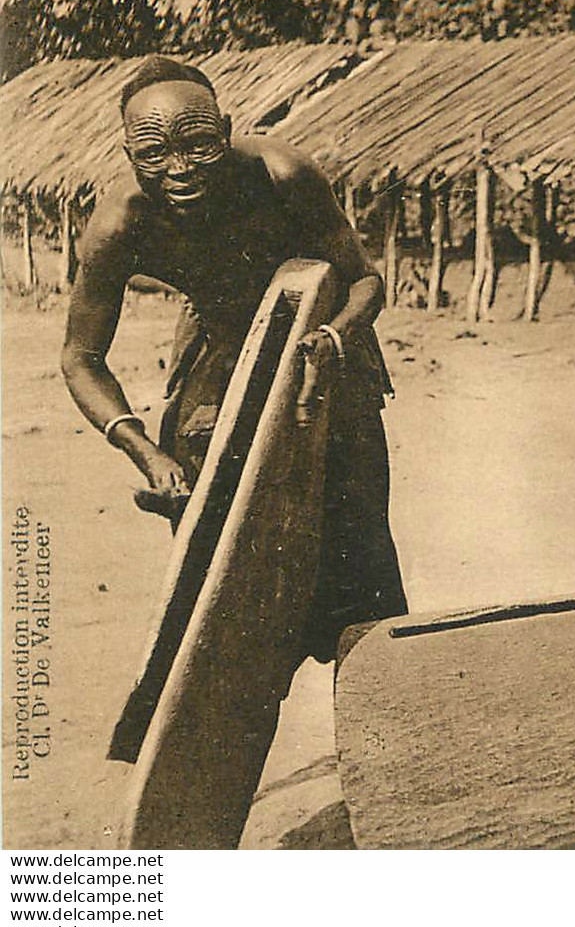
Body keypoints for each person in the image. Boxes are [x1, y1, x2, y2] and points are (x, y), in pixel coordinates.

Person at [61, 56, 406, 665]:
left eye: (198, 145)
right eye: (154, 155)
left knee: (358, 562)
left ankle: (374, 720)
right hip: (220, 362)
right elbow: (81, 357)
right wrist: (148, 453)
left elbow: (366, 283)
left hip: (325, 352)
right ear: (126, 154)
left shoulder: (282, 175)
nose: (180, 170)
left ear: (224, 128)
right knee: (217, 569)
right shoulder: (121, 224)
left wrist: (332, 339)